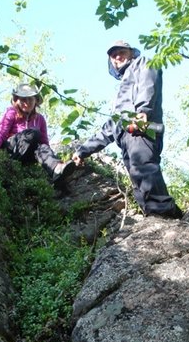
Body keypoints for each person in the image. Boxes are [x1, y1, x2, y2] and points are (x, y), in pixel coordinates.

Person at [72, 40, 182, 218]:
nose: (117, 57)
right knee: (136, 178)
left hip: (140, 127)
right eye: (113, 55)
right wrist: (84, 150)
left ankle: (161, 214)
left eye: (121, 52)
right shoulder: (121, 88)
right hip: (125, 136)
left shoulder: (143, 64)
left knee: (143, 167)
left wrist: (143, 110)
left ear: (131, 53)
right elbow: (110, 126)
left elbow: (148, 85)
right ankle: (162, 215)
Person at [0, 82, 75, 186]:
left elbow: (45, 143)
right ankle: (13, 163)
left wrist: (50, 157)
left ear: (35, 100)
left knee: (41, 146)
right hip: (11, 149)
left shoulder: (40, 119)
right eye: (23, 99)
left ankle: (56, 169)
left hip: (28, 154)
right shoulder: (12, 112)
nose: (27, 102)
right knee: (33, 132)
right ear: (17, 100)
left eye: (30, 99)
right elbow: (1, 132)